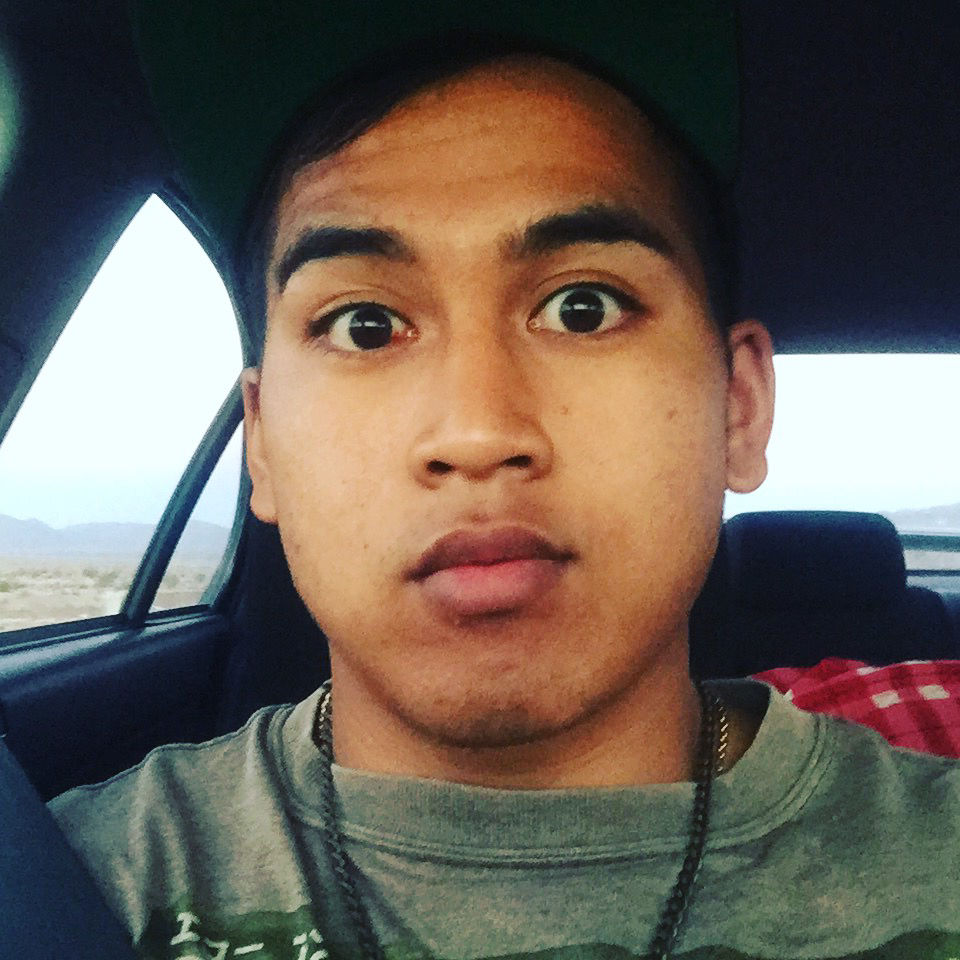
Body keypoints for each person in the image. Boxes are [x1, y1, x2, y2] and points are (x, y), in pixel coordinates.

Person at [50, 26, 960, 960]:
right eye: (365, 326)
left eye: (583, 308)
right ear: (265, 446)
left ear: (738, 410)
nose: (476, 433)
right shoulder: (64, 884)